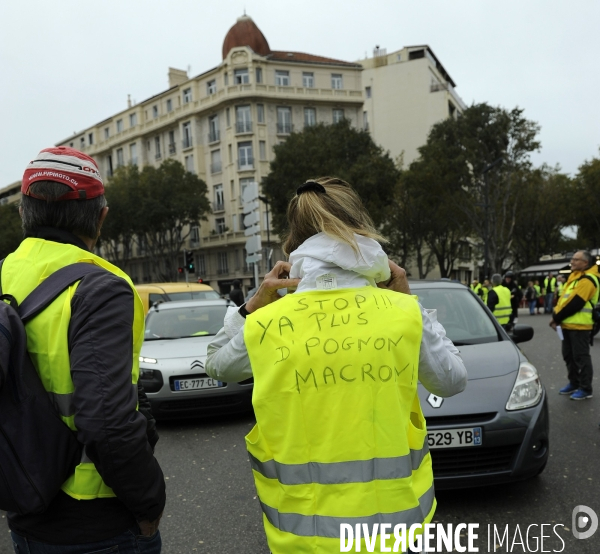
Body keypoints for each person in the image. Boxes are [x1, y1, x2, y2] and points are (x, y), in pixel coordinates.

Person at [205, 177, 467, 553]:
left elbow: (215, 364)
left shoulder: (268, 322)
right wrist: (413, 306)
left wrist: (252, 305)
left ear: (294, 243)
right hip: (398, 532)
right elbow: (452, 381)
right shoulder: (402, 314)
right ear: (359, 226)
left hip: (303, 539)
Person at [2, 147, 166, 553]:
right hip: (94, 520)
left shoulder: (4, 271)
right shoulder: (101, 287)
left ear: (23, 213)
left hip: (22, 503)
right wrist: (149, 506)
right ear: (101, 217)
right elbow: (107, 423)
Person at [551, 250, 600, 400]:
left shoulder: (588, 279)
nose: (572, 261)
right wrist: (557, 317)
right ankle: (574, 383)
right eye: (572, 259)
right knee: (569, 356)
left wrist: (556, 317)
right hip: (568, 325)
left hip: (580, 326)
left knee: (581, 357)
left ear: (585, 263)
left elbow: (575, 304)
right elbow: (564, 300)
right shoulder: (575, 277)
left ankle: (586, 388)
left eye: (576, 259)